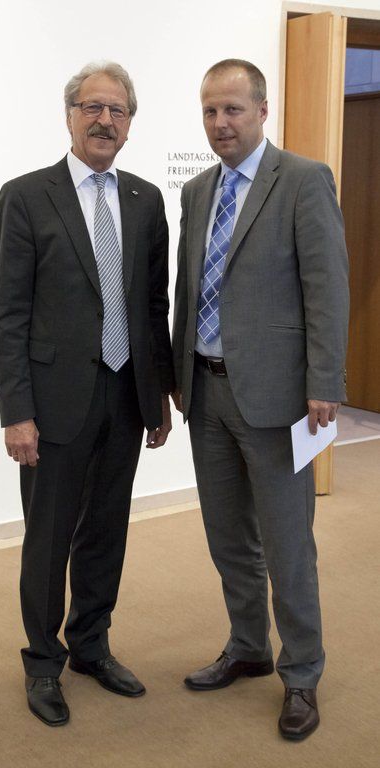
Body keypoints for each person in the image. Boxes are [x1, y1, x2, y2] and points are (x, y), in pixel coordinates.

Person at [0, 61, 174, 727]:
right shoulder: (25, 196)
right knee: (48, 539)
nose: (104, 120)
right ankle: (43, 662)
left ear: (130, 123)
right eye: (92, 107)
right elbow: (9, 314)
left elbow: (153, 307)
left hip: (125, 397)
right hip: (53, 404)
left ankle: (91, 645)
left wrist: (158, 395)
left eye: (117, 110)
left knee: (105, 531)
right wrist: (17, 412)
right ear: (69, 115)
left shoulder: (145, 199)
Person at [172, 59, 349, 741]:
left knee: (286, 544)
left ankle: (301, 672)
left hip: (278, 399)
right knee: (228, 538)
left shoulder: (302, 180)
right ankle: (248, 645)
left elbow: (326, 287)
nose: (221, 123)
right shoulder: (197, 191)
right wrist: (177, 371)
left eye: (233, 109)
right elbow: (190, 288)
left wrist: (324, 381)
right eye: (210, 111)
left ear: (262, 110)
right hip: (206, 392)